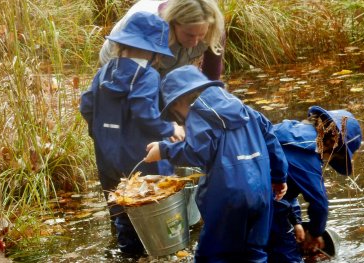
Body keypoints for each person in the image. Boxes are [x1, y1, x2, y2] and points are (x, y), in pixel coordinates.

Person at [143, 65, 289, 262]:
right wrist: (280, 177)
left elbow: (197, 153)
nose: (180, 118)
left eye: (176, 110)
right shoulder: (245, 109)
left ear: (180, 101)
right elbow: (271, 139)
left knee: (212, 255)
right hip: (262, 194)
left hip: (227, 197)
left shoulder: (198, 113)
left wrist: (164, 150)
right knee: (255, 253)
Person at [79, 11, 185, 254]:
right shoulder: (147, 75)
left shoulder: (104, 72)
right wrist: (170, 128)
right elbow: (144, 112)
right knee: (151, 200)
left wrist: (100, 135)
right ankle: (158, 250)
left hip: (107, 156)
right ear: (152, 51)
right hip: (141, 155)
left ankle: (126, 249)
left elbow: (86, 105)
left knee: (119, 203)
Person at [267, 106, 362, 263]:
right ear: (333, 142)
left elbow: (285, 191)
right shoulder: (308, 150)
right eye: (333, 156)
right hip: (262, 206)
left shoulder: (285, 128)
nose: (325, 160)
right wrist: (314, 233)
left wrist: (296, 222)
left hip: (230, 195)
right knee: (288, 256)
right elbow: (319, 203)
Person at [99, 0, 225, 80]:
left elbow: (211, 76)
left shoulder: (213, 28)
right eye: (189, 35)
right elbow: (139, 87)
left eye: (201, 34)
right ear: (173, 23)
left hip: (165, 63)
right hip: (119, 60)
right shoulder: (150, 27)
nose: (195, 42)